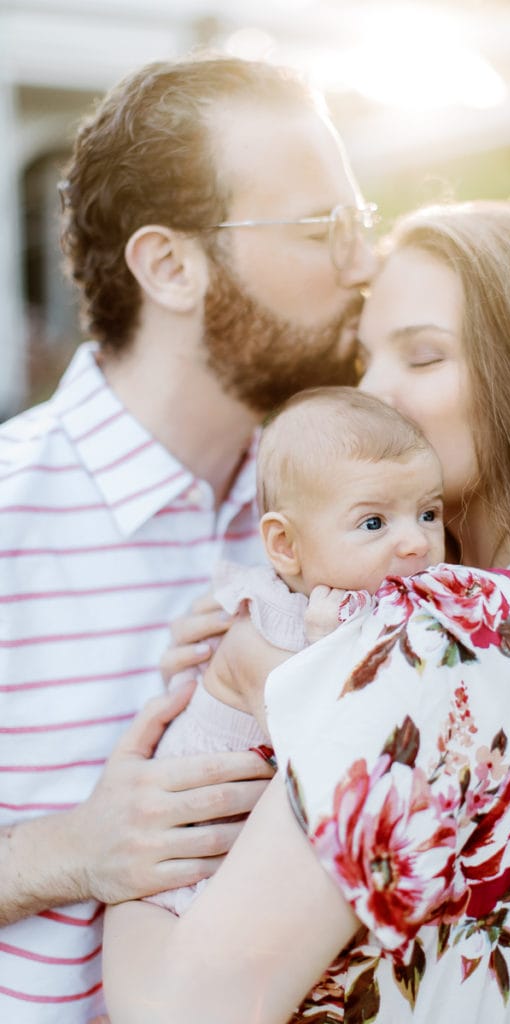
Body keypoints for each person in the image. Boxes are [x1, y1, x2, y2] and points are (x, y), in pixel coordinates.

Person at [103, 201, 510, 1024]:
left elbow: (181, 1011)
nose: (373, 391)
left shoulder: (439, 630)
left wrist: (131, 867)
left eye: (422, 354)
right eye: (365, 356)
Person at [0, 53, 377, 1021]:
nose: (361, 263)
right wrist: (67, 851)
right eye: (317, 227)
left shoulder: (362, 519)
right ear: (169, 265)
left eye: (358, 222)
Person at [146, 385, 445, 917]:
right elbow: (323, 753)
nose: (416, 543)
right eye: (373, 523)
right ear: (285, 546)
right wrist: (329, 653)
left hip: (257, 856)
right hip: (187, 868)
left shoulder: (386, 598)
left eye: (428, 513)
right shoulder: (266, 630)